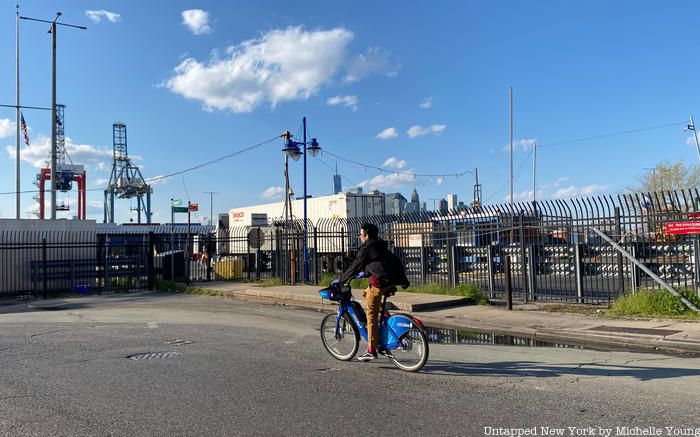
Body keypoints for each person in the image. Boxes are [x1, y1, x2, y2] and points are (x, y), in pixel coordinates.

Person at [336, 222, 409, 362]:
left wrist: (341, 280)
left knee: (371, 316)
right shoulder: (379, 244)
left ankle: (371, 350)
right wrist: (365, 272)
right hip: (390, 280)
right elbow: (376, 263)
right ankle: (385, 320)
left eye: (361, 234)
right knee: (367, 293)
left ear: (367, 235)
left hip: (379, 283)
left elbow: (355, 266)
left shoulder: (366, 248)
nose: (360, 237)